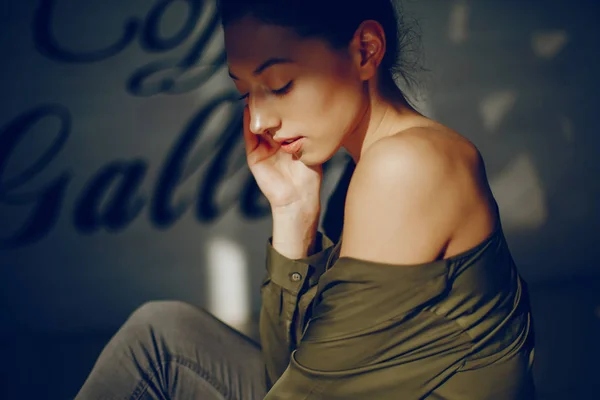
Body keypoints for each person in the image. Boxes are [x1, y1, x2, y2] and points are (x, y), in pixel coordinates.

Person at [76, 0, 536, 398]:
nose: (257, 122)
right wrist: (293, 213)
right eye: (244, 92)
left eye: (279, 85)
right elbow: (288, 374)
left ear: (365, 51)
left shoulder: (410, 165)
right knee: (163, 335)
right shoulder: (360, 175)